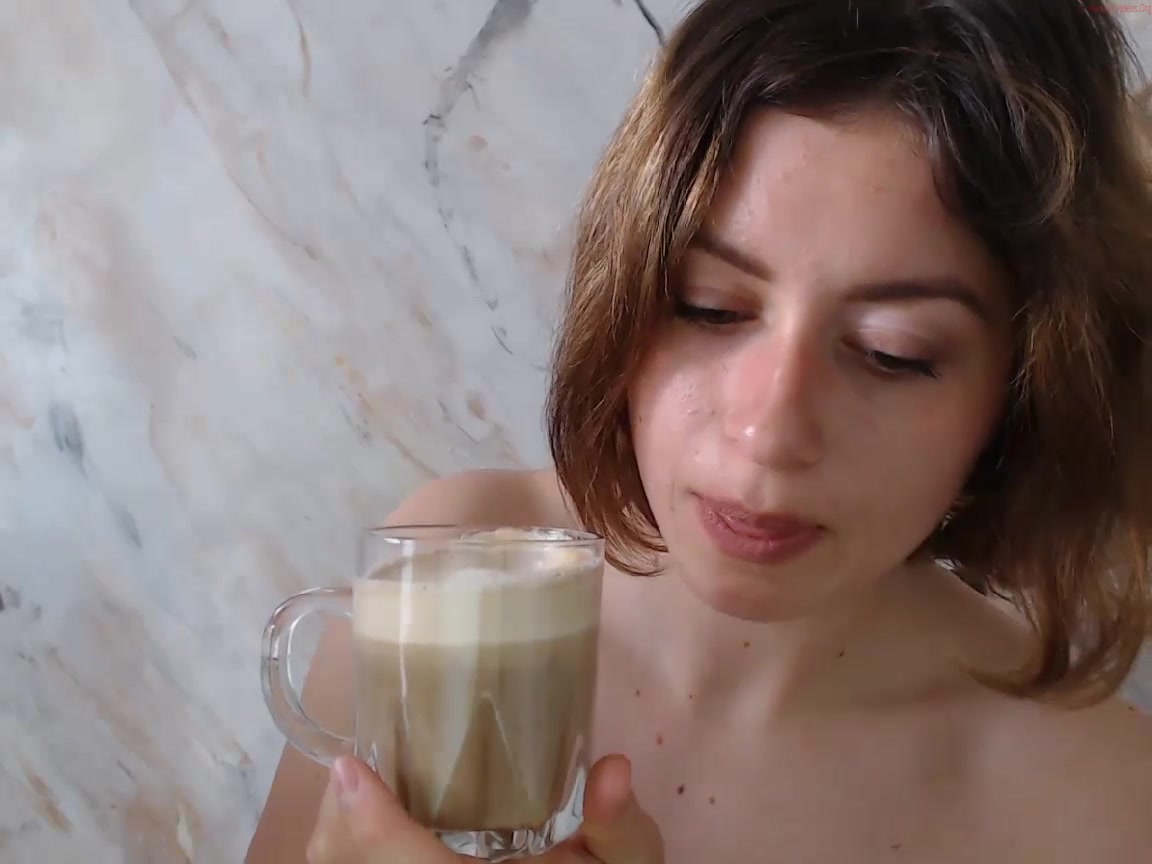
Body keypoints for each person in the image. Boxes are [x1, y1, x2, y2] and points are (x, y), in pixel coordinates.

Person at [246, 0, 1152, 861]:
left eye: (893, 352)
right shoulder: (456, 563)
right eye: (709, 307)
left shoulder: (1096, 804)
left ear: (1026, 391)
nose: (768, 430)